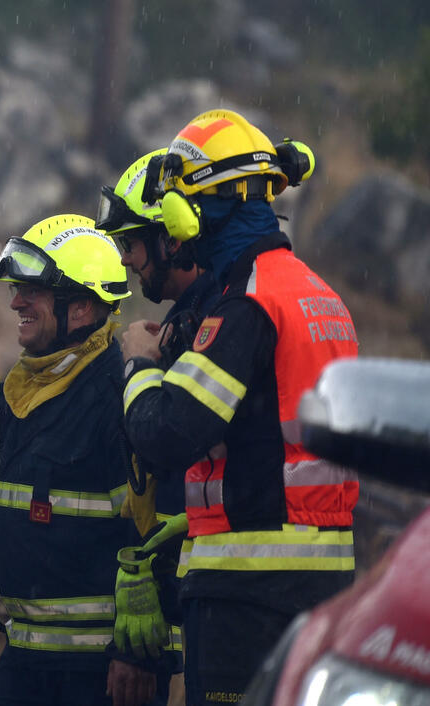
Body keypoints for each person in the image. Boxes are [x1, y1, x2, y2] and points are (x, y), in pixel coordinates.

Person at [118, 109, 357, 705]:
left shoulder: (246, 304)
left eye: (174, 206)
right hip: (323, 589)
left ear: (199, 208)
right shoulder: (318, 296)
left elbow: (168, 433)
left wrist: (141, 366)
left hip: (245, 593)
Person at [0, 215, 155, 706]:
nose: (15, 301)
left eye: (33, 291)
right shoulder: (32, 391)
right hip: (26, 658)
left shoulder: (119, 400)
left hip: (96, 673)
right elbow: (49, 510)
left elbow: (150, 534)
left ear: (82, 308)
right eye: (17, 290)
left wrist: (137, 656)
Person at [96, 149, 223, 704]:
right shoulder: (194, 315)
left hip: (221, 599)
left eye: (131, 244)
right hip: (206, 598)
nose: (127, 262)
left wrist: (140, 365)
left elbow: (166, 449)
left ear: (169, 239)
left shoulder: (217, 319)